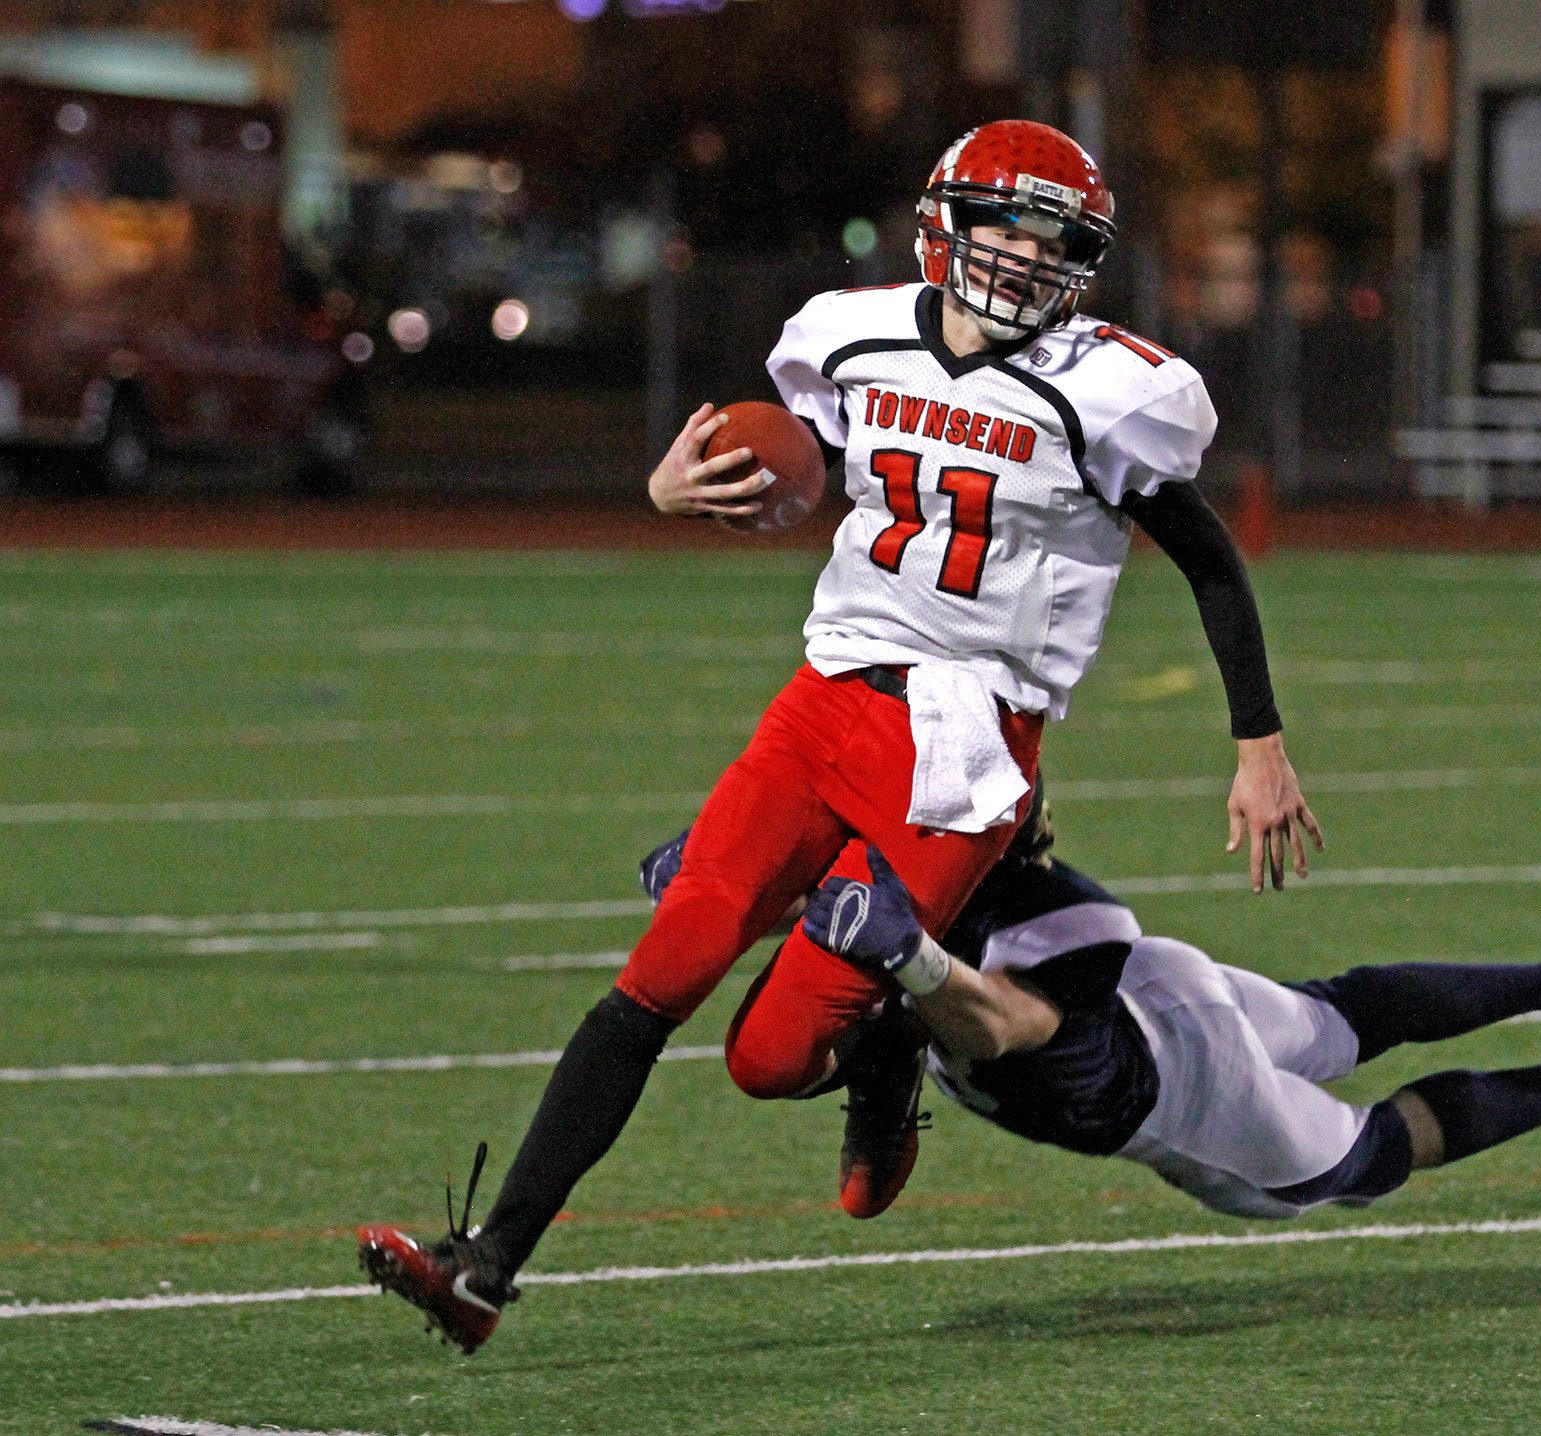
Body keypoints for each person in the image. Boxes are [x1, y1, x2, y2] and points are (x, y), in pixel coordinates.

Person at [356, 119, 1318, 1353]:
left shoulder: (1111, 390)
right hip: (825, 701)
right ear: (943, 224)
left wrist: (1259, 741)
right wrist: (676, 490)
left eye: (1053, 241)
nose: (1023, 260)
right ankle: (484, 1264)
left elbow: (1211, 559)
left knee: (763, 1060)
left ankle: (884, 1045)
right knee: (662, 969)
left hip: (966, 750)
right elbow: (809, 465)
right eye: (1002, 228)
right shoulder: (846, 335)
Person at [796, 801, 1541, 1222]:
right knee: (1337, 1017)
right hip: (1163, 984)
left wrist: (903, 957)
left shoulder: (954, 996)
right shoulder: (953, 888)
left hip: (1181, 1091)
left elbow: (990, 1022)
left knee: (1365, 1156)